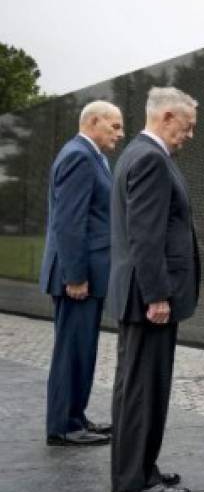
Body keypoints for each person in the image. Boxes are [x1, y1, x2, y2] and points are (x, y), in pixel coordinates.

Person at [108, 86, 199, 492]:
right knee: (143, 390)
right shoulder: (149, 159)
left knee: (138, 387)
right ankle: (135, 480)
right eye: (188, 125)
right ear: (166, 117)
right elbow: (146, 236)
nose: (190, 134)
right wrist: (157, 295)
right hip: (149, 299)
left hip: (142, 295)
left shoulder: (138, 154)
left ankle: (142, 468)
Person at [39, 101, 124, 446]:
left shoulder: (89, 156)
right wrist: (75, 277)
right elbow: (69, 222)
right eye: (114, 126)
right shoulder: (79, 156)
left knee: (82, 349)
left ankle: (75, 416)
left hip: (86, 273)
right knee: (72, 351)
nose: (120, 133)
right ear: (93, 121)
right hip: (77, 276)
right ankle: (63, 426)